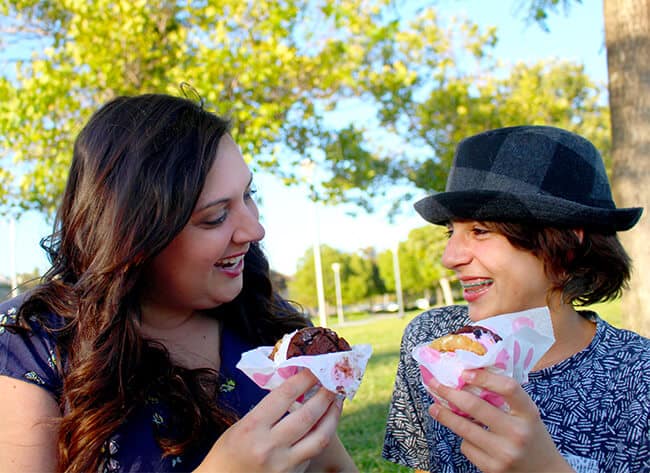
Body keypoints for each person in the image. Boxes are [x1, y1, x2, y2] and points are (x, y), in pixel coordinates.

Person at [0, 93, 357, 473]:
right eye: (216, 217)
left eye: (248, 195)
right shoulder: (32, 340)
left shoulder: (263, 322)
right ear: (133, 237)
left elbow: (331, 466)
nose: (255, 229)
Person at [382, 125, 650, 473]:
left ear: (566, 245)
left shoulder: (638, 380)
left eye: (480, 231)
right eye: (452, 232)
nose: (450, 257)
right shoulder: (432, 341)